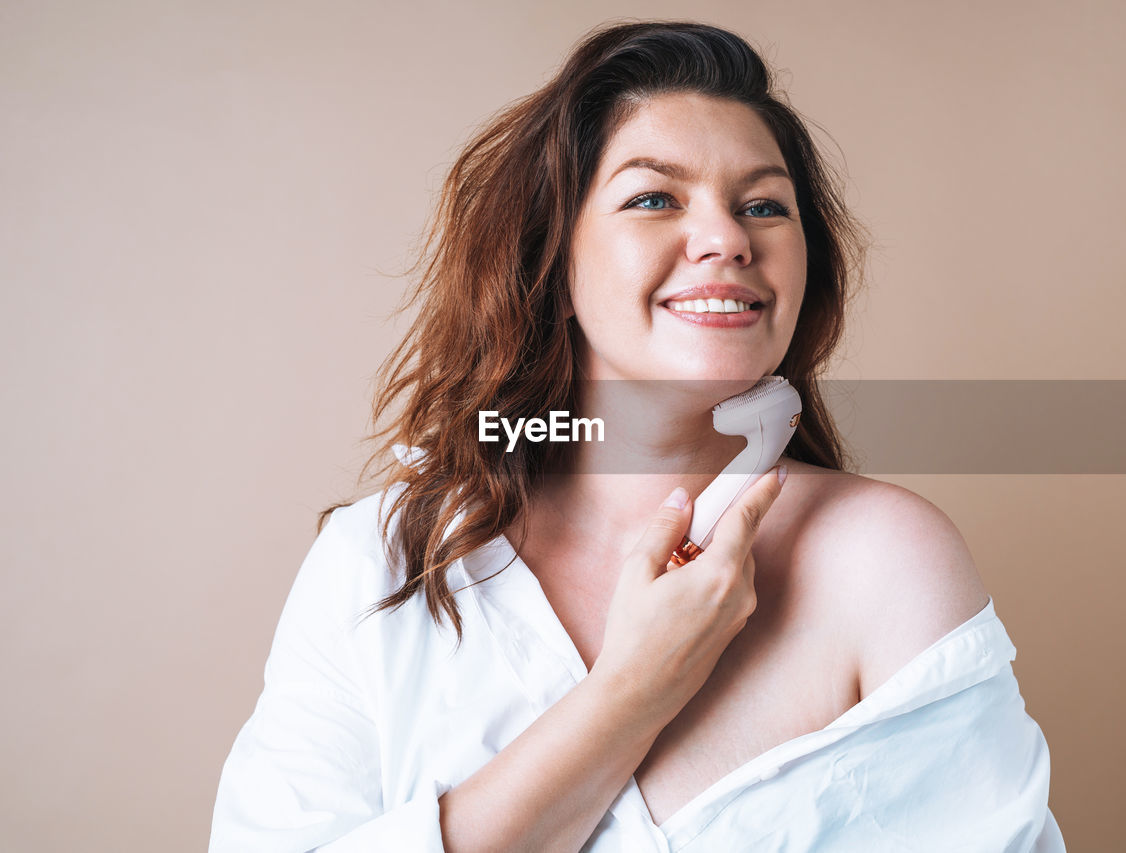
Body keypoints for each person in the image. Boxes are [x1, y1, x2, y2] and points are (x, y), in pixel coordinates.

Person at [210, 21, 1065, 852]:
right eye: (654, 197)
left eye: (764, 205)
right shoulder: (382, 564)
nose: (728, 238)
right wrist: (630, 692)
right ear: (555, 259)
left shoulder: (885, 557)